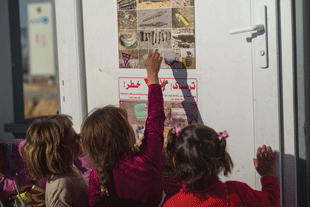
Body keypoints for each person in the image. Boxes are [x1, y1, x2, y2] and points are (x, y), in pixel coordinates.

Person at [81, 53, 165, 207]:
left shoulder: (97, 177)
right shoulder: (146, 160)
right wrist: (152, 75)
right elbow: (156, 118)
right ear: (125, 135)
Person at [163, 124, 280, 207]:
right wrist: (267, 175)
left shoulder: (172, 204)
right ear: (221, 157)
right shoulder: (236, 193)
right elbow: (271, 202)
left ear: (175, 162)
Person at [22, 115, 89, 207]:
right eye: (74, 139)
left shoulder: (71, 169)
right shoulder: (60, 184)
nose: (80, 136)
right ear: (60, 153)